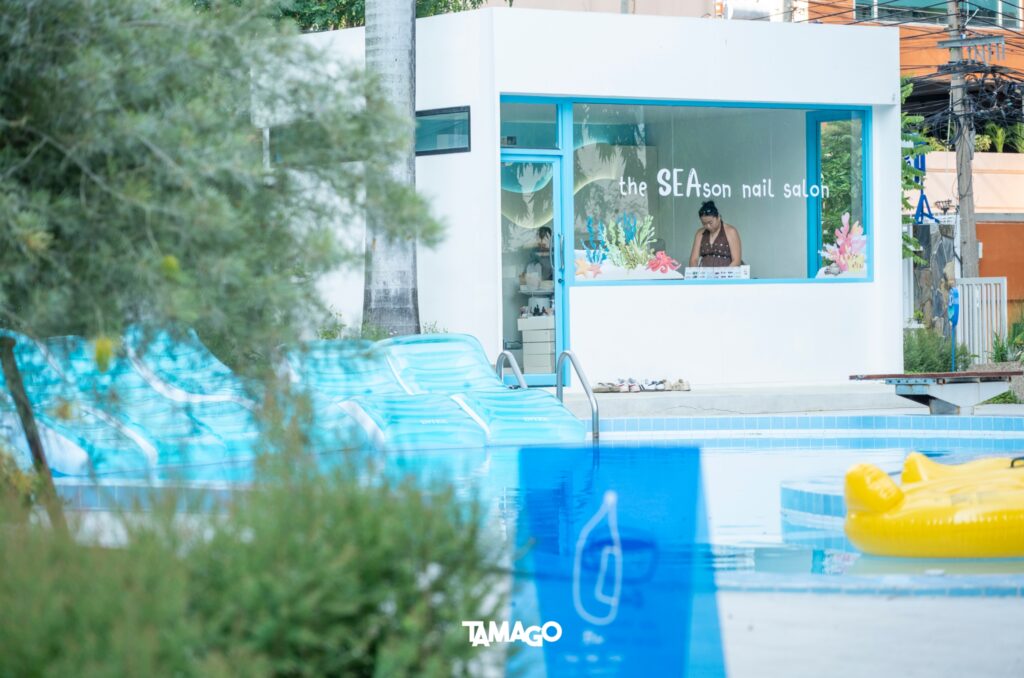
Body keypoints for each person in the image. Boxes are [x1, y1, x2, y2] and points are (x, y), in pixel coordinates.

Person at [688, 200, 742, 268]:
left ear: (718, 217)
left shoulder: (731, 231)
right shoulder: (699, 233)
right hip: (703, 273)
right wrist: (695, 273)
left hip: (726, 273)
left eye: (710, 223)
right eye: (704, 224)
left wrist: (724, 273)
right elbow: (693, 260)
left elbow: (736, 261)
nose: (708, 226)